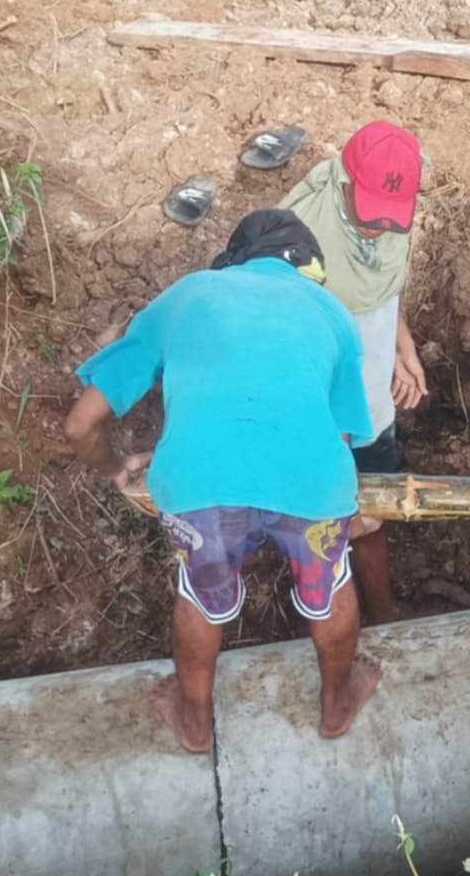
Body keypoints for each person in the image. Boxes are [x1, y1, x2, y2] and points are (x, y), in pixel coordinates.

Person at [64, 210, 382, 752]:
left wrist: (113, 466)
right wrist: (338, 508)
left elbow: (80, 424)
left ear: (236, 260)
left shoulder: (187, 296)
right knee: (329, 589)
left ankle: (194, 723)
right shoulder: (332, 312)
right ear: (308, 269)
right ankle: (336, 703)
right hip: (311, 486)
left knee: (200, 597)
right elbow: (342, 437)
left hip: (199, 487)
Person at [280, 121, 429, 624]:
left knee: (372, 517)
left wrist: (401, 349)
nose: (378, 229)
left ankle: (383, 613)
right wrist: (331, 441)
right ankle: (323, 623)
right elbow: (288, 348)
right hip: (322, 418)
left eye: (391, 220)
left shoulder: (390, 227)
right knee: (326, 526)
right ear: (344, 180)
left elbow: (383, 295)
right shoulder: (299, 240)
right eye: (370, 214)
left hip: (372, 409)